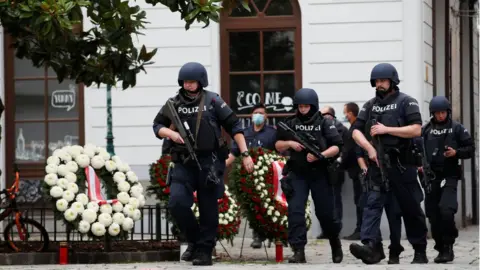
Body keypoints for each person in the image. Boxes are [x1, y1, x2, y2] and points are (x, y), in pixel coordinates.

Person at [152, 62, 254, 266]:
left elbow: (235, 126)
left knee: (208, 207)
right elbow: (157, 125)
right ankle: (195, 240)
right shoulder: (174, 103)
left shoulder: (213, 100)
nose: (188, 85)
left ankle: (205, 250)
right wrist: (171, 133)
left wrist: (245, 154)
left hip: (210, 161)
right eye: (185, 82)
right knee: (177, 203)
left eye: (192, 81)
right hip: (183, 162)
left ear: (201, 82)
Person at [348, 63, 428, 264]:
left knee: (410, 209)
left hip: (402, 164)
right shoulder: (370, 105)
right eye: (376, 81)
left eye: (382, 81)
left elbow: (417, 129)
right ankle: (369, 245)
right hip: (378, 165)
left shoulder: (406, 102)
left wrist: (387, 130)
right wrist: (369, 148)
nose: (379, 84)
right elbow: (355, 131)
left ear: (392, 81)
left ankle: (419, 250)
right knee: (372, 204)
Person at [275, 88, 344, 264]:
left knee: (325, 213)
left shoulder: (324, 123)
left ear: (313, 106)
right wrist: (290, 143)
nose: (303, 109)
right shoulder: (290, 123)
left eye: (306, 106)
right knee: (295, 211)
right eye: (300, 106)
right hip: (298, 173)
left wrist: (321, 155)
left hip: (320, 173)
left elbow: (337, 146)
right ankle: (298, 251)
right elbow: (277, 145)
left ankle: (335, 242)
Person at [420, 96, 475, 263]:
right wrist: (419, 165)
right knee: (433, 215)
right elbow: (416, 149)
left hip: (449, 175)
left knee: (446, 209)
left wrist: (456, 153)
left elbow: (470, 148)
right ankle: (441, 247)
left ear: (448, 112)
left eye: (443, 112)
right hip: (431, 177)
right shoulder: (426, 130)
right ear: (433, 114)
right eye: (437, 113)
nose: (441, 116)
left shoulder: (457, 128)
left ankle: (448, 244)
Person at [225, 103, 277, 249]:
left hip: (266, 176)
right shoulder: (244, 133)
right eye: (256, 113)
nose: (258, 115)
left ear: (266, 116)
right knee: (252, 205)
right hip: (246, 176)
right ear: (251, 115)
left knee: (265, 205)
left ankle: (266, 233)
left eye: (261, 113)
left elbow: (278, 153)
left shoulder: (272, 133)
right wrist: (221, 166)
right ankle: (257, 234)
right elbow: (235, 153)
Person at [317, 106, 348, 240]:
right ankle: (326, 230)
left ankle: (335, 230)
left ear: (331, 115)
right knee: (324, 201)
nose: (322, 117)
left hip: (335, 169)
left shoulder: (341, 129)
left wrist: (339, 161)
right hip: (322, 168)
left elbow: (346, 149)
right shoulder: (320, 128)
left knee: (335, 199)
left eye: (324, 114)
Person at [341, 102, 364, 241]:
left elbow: (350, 150)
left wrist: (341, 164)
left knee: (361, 200)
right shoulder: (355, 127)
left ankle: (361, 229)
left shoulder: (356, 128)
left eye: (345, 112)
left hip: (358, 170)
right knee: (359, 200)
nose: (345, 115)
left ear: (350, 113)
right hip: (355, 170)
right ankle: (360, 228)